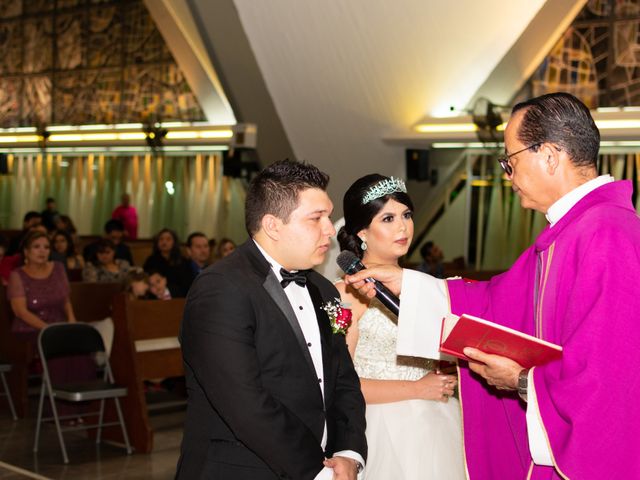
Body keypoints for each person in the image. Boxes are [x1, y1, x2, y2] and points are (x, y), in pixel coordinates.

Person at [345, 92, 640, 479]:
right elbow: (498, 301)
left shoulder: (606, 235)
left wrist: (519, 380)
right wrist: (407, 283)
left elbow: (606, 379)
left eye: (511, 160)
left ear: (549, 156)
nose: (508, 175)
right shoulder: (573, 231)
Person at [177, 160, 367, 479]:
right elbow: (244, 403)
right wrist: (315, 471)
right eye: (316, 218)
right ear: (272, 225)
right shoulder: (220, 289)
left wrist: (348, 452)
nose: (330, 229)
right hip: (243, 469)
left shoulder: (324, 290)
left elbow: (344, 378)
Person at [335, 174, 463, 479]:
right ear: (363, 232)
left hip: (437, 417)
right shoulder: (349, 293)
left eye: (406, 215)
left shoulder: (424, 287)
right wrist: (417, 388)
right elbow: (341, 384)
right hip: (381, 426)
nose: (403, 227)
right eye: (388, 218)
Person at [143, 229, 191, 297]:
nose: (164, 242)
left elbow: (186, 285)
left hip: (177, 298)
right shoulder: (151, 260)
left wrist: (167, 291)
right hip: (154, 296)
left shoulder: (183, 261)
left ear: (174, 242)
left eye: (168, 239)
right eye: (161, 239)